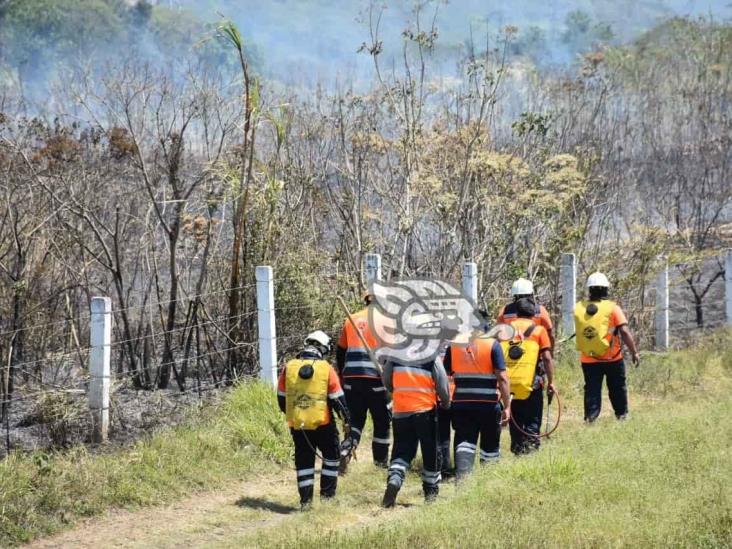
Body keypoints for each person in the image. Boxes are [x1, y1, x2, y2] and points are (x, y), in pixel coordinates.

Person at [277, 330, 350, 510]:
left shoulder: (289, 367)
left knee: (303, 461)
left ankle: (305, 502)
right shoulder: (326, 368)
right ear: (324, 348)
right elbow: (338, 400)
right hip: (323, 423)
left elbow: (281, 398)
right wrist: (346, 420)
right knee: (331, 457)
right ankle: (327, 498)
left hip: (298, 425)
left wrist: (295, 415)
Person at [381, 355, 451, 508]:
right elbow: (442, 383)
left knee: (401, 450)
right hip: (425, 411)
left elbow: (386, 379)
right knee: (431, 452)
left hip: (400, 410)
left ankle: (395, 479)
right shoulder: (431, 355)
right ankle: (430, 495)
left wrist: (398, 392)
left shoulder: (395, 354)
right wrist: (446, 402)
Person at [444, 331, 511, 479]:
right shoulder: (493, 344)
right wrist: (507, 406)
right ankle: (488, 481)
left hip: (461, 403)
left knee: (464, 441)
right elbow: (502, 378)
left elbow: (445, 373)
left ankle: (462, 479)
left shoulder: (454, 346)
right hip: (488, 405)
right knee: (490, 445)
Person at [574, 272, 640, 422]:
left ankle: (590, 418)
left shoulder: (580, 307)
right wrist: (634, 352)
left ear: (589, 289)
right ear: (606, 289)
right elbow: (624, 331)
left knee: (592, 390)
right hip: (613, 358)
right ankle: (621, 416)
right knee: (617, 388)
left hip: (589, 359)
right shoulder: (612, 308)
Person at [336, 293, 390, 469]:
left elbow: (340, 352)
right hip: (376, 379)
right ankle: (380, 463)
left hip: (352, 379)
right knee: (381, 421)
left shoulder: (351, 319)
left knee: (356, 420)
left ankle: (345, 450)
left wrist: (343, 378)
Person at [501, 297, 556, 455]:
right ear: (533, 313)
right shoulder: (539, 331)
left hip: (510, 384)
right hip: (533, 383)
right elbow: (546, 358)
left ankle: (518, 448)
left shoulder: (504, 330)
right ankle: (531, 448)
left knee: (515, 417)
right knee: (533, 417)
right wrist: (551, 382)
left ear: (517, 313)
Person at [498, 278, 555, 349]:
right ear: (531, 293)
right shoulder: (540, 310)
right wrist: (550, 351)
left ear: (514, 295)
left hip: (511, 354)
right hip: (535, 353)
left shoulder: (505, 310)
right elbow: (549, 334)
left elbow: (499, 336)